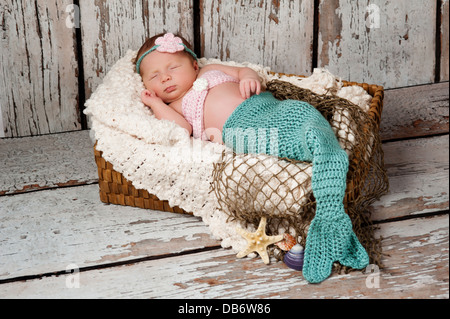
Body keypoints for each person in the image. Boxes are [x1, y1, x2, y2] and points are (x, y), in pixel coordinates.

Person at [135, 33, 369, 283]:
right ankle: (321, 165)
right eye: (154, 77)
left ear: (194, 65)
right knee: (290, 141)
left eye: (173, 67)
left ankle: (320, 148)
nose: (166, 77)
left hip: (267, 105)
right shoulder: (176, 106)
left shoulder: (210, 70)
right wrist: (156, 104)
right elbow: (182, 129)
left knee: (302, 115)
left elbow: (243, 71)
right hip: (241, 132)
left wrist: (248, 77)